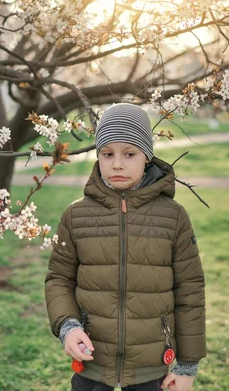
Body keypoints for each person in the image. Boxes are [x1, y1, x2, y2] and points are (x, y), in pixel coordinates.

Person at [45, 103, 206, 391]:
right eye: (108, 154)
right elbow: (59, 279)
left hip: (151, 365)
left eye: (129, 153)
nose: (117, 164)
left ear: (147, 156)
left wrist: (186, 366)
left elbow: (190, 290)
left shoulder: (173, 216)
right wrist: (68, 327)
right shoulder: (76, 216)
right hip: (92, 360)